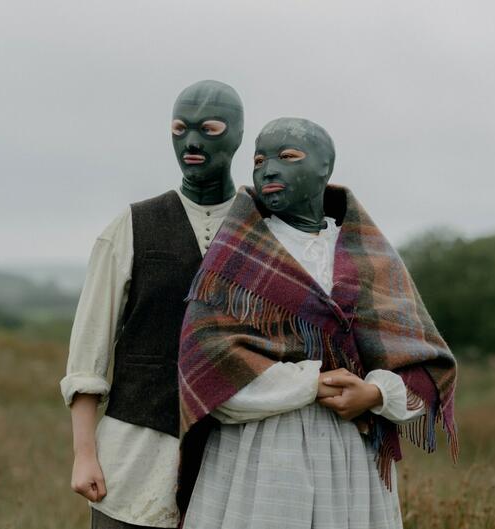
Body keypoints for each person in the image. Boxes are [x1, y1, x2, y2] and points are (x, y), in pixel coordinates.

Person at [177, 118, 458, 529]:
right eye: (259, 160)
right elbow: (207, 371)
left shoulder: (369, 256)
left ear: (325, 167)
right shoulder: (234, 258)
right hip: (261, 459)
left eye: (287, 157)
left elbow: (423, 366)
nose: (268, 169)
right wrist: (311, 384)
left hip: (352, 457)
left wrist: (375, 393)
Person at [61, 80, 244, 529]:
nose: (193, 142)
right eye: (181, 128)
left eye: (211, 128)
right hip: (133, 459)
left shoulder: (261, 229)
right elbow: (89, 351)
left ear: (237, 135)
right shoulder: (131, 226)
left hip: (237, 457)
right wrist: (85, 454)